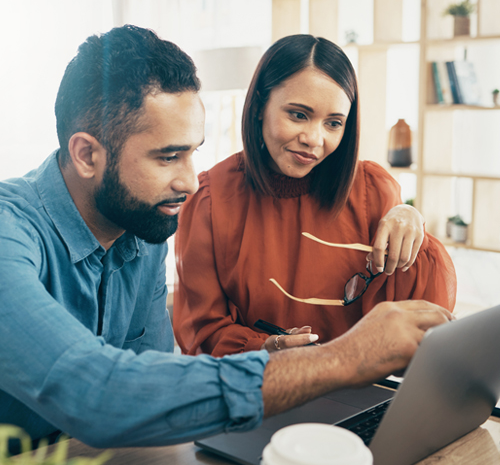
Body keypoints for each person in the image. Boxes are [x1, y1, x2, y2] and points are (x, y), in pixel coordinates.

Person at [0, 25, 452, 453]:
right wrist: (344, 358)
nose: (190, 183)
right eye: (168, 156)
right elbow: (99, 393)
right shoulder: (10, 232)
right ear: (87, 154)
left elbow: (158, 388)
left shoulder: (144, 229)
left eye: (192, 151)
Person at [174, 34, 457, 357]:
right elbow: (202, 330)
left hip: (358, 393)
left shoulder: (373, 190)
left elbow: (422, 322)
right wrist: (267, 348)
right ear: (258, 107)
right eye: (298, 115)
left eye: (333, 123)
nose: (314, 139)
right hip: (259, 392)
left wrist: (413, 222)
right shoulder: (210, 200)